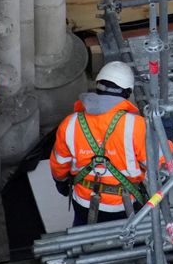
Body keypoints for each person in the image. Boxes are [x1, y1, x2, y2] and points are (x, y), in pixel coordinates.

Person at [49, 61, 153, 223]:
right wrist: (168, 136)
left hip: (84, 200)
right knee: (129, 241)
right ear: (127, 93)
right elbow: (157, 162)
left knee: (84, 239)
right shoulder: (136, 125)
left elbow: (59, 165)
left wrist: (61, 184)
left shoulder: (70, 123)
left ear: (97, 86)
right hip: (124, 203)